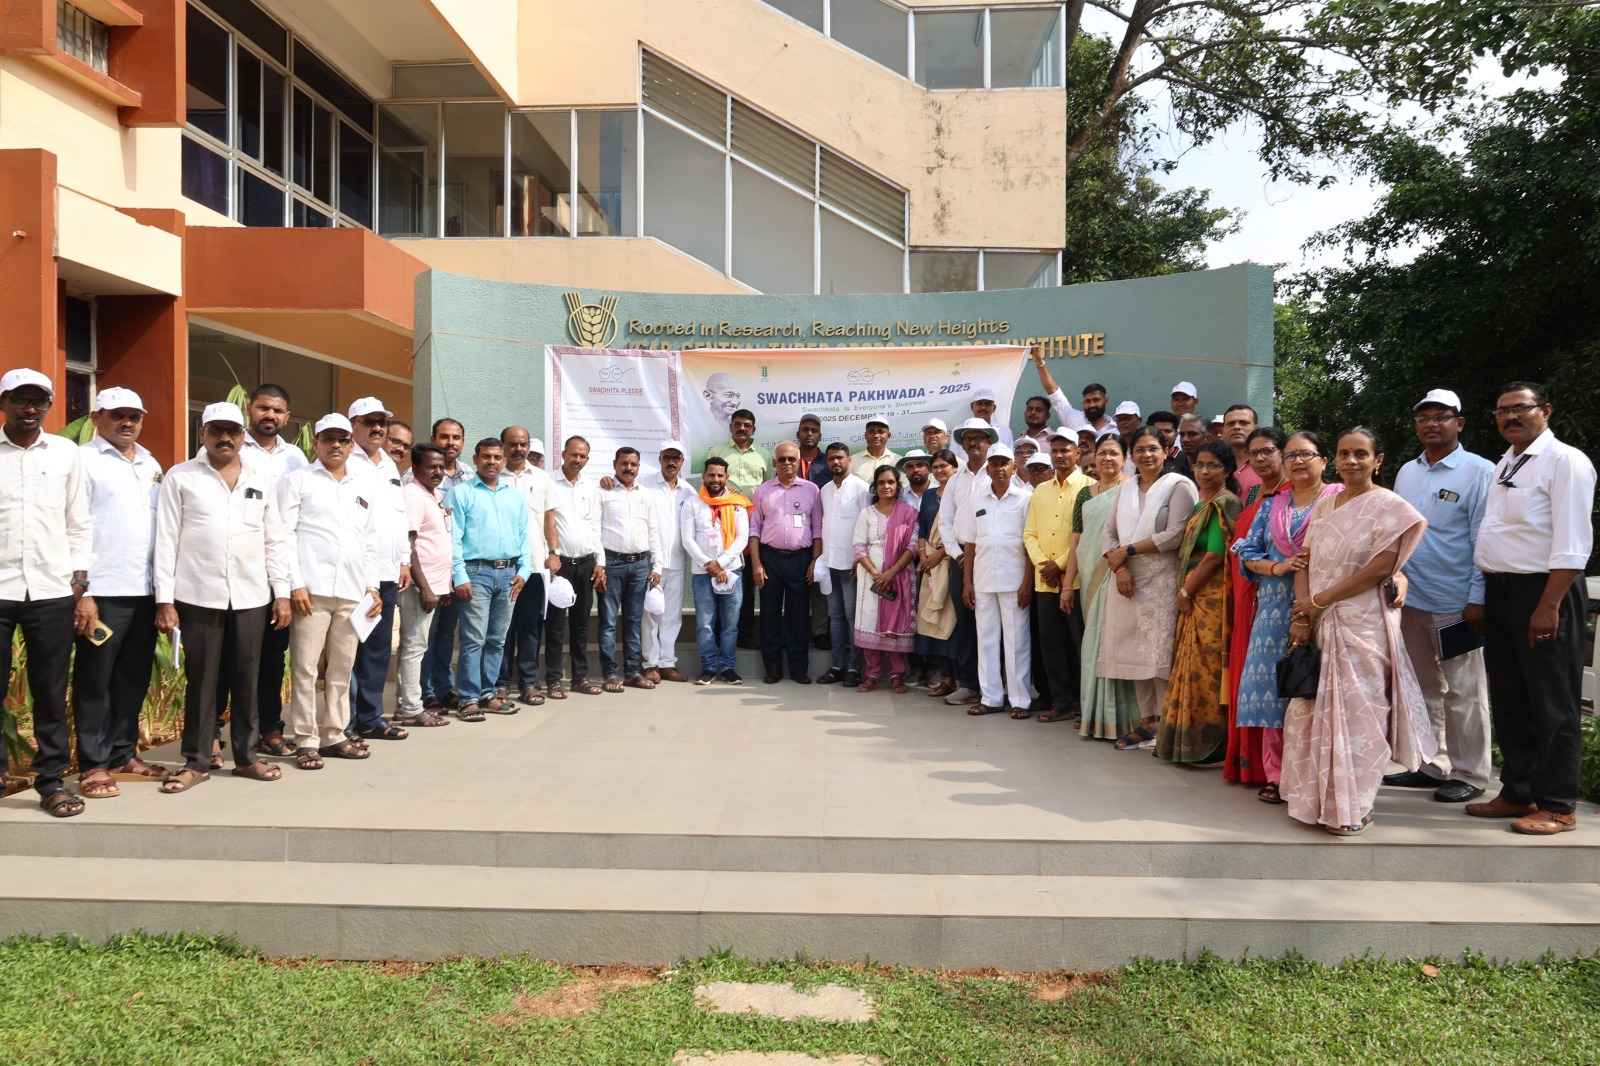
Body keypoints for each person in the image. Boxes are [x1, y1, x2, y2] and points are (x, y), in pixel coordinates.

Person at [1283, 428, 1433, 835]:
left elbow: (1381, 568)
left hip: (1362, 623)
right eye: (1344, 453)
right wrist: (1304, 612)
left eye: (1361, 454)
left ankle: (1352, 807)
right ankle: (1314, 802)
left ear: (1377, 460)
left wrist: (1321, 600)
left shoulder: (1391, 508)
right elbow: (1305, 560)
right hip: (1319, 620)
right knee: (1312, 711)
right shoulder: (1326, 505)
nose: (1351, 461)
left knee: (1360, 715)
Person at [1469, 381, 1596, 835]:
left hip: (1545, 592)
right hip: (1503, 592)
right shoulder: (1508, 461)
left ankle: (1558, 805)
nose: (1510, 417)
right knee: (1511, 697)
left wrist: (1549, 605)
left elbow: (1573, 543)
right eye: (1502, 411)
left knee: (1552, 701)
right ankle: (1518, 790)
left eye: (1520, 408)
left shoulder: (1565, 461)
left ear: (1546, 410)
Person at [155, 401, 292, 793]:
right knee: (202, 680)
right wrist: (165, 600)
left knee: (248, 677)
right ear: (203, 433)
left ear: (243, 435)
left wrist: (281, 592)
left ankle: (246, 757)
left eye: (232, 431)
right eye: (217, 431)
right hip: (198, 594)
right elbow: (166, 539)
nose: (225, 438)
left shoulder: (262, 478)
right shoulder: (181, 477)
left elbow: (275, 539)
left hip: (251, 595)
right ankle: (196, 760)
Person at [1385, 389, 1495, 803]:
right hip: (1411, 601)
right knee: (1423, 686)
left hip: (1456, 604)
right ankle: (1431, 765)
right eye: (1424, 418)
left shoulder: (1479, 471)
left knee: (1464, 690)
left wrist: (1477, 597)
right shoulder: (1407, 472)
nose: (1431, 424)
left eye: (1441, 417)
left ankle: (1471, 773)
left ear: (1459, 423)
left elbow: (1482, 539)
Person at [0, 369, 92, 816]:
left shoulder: (65, 454)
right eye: (21, 399)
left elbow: (79, 521)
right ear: (4, 402)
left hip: (52, 590)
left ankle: (51, 781)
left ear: (50, 406)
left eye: (39, 400)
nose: (30, 408)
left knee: (51, 692)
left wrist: (79, 583)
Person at [71, 388, 165, 800]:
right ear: (97, 418)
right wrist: (83, 591)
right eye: (117, 415)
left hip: (144, 591)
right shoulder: (82, 461)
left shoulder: (150, 463)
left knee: (132, 678)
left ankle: (122, 754)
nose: (127, 422)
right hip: (102, 593)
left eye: (134, 416)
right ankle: (92, 764)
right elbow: (72, 525)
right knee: (95, 681)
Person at [277, 413, 383, 766]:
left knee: (341, 668)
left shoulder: (362, 486)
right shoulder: (298, 480)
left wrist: (372, 587)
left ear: (351, 444)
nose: (335, 445)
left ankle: (334, 734)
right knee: (306, 669)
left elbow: (369, 541)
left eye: (342, 439)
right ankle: (306, 739)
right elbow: (284, 534)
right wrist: (294, 583)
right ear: (316, 443)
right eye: (328, 439)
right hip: (312, 592)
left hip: (352, 592)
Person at [212, 384, 306, 760]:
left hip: (277, 572)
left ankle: (269, 729)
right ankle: (212, 731)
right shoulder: (231, 446)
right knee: (225, 659)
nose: (270, 415)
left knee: (271, 659)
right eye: (264, 408)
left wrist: (289, 581)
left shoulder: (295, 458)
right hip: (236, 571)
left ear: (288, 417)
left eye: (278, 410)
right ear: (250, 409)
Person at [1099, 426, 1197, 750]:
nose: (1146, 454)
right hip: (1125, 580)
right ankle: (1146, 722)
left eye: (1153, 448)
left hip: (1161, 581)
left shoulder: (1179, 486)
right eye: (1139, 449)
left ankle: (1168, 725)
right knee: (1134, 652)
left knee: (1159, 655)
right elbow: (1108, 533)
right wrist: (1120, 568)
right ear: (1132, 455)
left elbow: (1176, 534)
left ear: (1167, 451)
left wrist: (1127, 551)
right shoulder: (1126, 488)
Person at [1155, 441, 1241, 765]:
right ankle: (1183, 742)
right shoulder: (1201, 504)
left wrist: (1186, 592)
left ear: (1227, 470)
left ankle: (1208, 742)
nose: (1204, 471)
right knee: (1189, 666)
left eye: (1213, 465)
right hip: (1194, 597)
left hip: (1211, 598)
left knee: (1206, 670)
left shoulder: (1225, 503)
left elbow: (1214, 556)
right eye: (1200, 465)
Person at [1222, 427, 1289, 790]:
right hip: (1247, 600)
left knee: (1282, 688)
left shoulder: (1295, 497)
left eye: (1269, 451)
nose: (1261, 458)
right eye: (1254, 453)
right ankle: (1252, 765)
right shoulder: (1251, 496)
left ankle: (1280, 772)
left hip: (1281, 602)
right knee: (1254, 687)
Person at [346, 397, 412, 744]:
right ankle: (343, 722)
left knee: (377, 649)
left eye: (381, 422)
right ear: (353, 425)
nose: (377, 428)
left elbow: (399, 516)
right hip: (354, 574)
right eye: (369, 422)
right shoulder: (345, 459)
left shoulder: (388, 463)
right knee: (348, 650)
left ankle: (370, 718)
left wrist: (404, 560)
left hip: (387, 572)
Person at [448, 437, 528, 719]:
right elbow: (453, 537)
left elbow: (524, 535)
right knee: (474, 639)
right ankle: (468, 699)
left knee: (496, 639)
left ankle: (488, 694)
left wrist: (524, 571)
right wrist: (459, 575)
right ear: (476, 459)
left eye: (496, 457)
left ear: (503, 460)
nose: (491, 462)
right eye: (486, 457)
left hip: (509, 575)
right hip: (475, 573)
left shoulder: (514, 496)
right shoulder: (461, 493)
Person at [1065, 435, 1138, 740]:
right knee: (1092, 644)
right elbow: (1076, 541)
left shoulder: (1133, 489)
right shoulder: (1085, 494)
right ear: (1093, 458)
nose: (1107, 458)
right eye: (1102, 453)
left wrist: (1123, 569)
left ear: (1125, 458)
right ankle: (1095, 715)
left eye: (1114, 453)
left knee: (1119, 642)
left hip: (1121, 576)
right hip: (1090, 578)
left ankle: (1128, 718)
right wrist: (1067, 585)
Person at [1024, 429, 1093, 723]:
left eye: (1066, 450)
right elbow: (1029, 534)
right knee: (1051, 644)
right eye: (1055, 451)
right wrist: (1044, 565)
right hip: (1045, 581)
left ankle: (1083, 703)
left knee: (1078, 643)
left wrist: (1060, 564)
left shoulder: (1090, 488)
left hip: (1074, 580)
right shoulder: (1040, 490)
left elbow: (1087, 534)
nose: (1060, 455)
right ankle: (1060, 701)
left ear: (1078, 453)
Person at [962, 443, 1034, 716]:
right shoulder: (977, 499)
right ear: (988, 468)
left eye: (1004, 463)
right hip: (983, 580)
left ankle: (1020, 700)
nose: (999, 468)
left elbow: (1030, 544)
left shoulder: (1025, 498)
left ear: (1013, 467)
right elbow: (970, 543)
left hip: (1014, 580)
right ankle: (990, 698)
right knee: (986, 640)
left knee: (1017, 642)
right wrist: (967, 582)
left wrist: (1027, 582)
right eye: (994, 463)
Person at [751, 441, 823, 684]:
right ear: (774, 462)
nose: (787, 463)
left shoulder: (812, 490)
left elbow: (817, 530)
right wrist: (757, 564)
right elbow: (754, 530)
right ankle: (772, 669)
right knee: (769, 614)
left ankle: (798, 669)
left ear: (799, 461)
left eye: (791, 459)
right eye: (782, 459)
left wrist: (814, 562)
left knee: (799, 616)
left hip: (801, 560)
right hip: (770, 558)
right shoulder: (763, 491)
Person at [937, 417, 998, 706]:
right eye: (968, 438)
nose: (973, 443)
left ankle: (996, 685)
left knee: (992, 622)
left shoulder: (997, 471)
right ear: (962, 444)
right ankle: (969, 684)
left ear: (989, 442)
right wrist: (957, 553)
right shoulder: (955, 480)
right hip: (960, 558)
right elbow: (945, 521)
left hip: (991, 556)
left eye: (979, 438)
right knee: (965, 622)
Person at [396, 444, 452, 729]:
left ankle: (409, 703)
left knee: (418, 645)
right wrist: (425, 588)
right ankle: (410, 708)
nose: (438, 472)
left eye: (441, 467)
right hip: (420, 587)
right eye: (431, 466)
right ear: (416, 467)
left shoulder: (434, 495)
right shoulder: (413, 495)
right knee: (414, 646)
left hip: (436, 585)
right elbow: (410, 545)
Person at [597, 446, 662, 690]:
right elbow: (595, 529)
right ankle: (610, 674)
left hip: (640, 565)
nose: (628, 468)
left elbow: (654, 531)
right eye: (624, 463)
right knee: (608, 622)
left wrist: (657, 566)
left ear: (638, 467)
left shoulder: (646, 495)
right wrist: (600, 563)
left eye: (633, 464)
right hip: (611, 564)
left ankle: (633, 672)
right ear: (615, 464)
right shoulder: (602, 492)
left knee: (634, 621)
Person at [850, 465, 920, 692]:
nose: (886, 486)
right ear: (875, 486)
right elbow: (859, 547)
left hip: (900, 574)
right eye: (881, 482)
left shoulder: (909, 513)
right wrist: (875, 574)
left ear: (898, 486)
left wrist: (891, 572)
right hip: (871, 577)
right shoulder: (867, 513)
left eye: (890, 482)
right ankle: (871, 674)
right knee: (870, 621)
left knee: (895, 624)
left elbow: (912, 546)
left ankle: (897, 675)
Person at [703, 409, 769, 649]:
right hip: (722, 524)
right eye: (738, 424)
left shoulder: (763, 455)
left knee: (747, 582)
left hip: (753, 525)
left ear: (754, 429)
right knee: (720, 575)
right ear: (731, 427)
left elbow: (768, 490)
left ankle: (746, 634)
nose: (742, 428)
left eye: (747, 425)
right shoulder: (717, 452)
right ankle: (717, 634)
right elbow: (708, 487)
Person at [545, 436, 604, 698]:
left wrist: (600, 562)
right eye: (573, 454)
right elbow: (545, 522)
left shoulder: (591, 488)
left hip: (586, 563)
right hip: (560, 565)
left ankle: (580, 678)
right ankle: (554, 680)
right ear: (563, 455)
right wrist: (551, 555)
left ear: (587, 459)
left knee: (581, 625)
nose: (577, 460)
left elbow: (595, 526)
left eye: (582, 456)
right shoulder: (549, 483)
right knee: (556, 625)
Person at [682, 457, 750, 684]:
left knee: (730, 625)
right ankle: (709, 667)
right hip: (702, 573)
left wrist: (720, 563)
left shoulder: (737, 503)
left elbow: (742, 538)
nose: (715, 479)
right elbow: (687, 539)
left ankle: (728, 667)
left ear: (726, 477)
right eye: (711, 475)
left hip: (732, 571)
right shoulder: (692, 503)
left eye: (720, 475)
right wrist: (708, 564)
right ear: (704, 476)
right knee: (705, 624)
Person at [497, 425, 550, 705]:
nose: (518, 449)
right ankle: (500, 683)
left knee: (530, 627)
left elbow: (549, 518)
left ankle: (528, 683)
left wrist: (554, 552)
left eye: (523, 444)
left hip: (535, 564)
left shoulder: (541, 478)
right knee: (502, 627)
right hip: (502, 566)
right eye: (513, 444)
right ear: (503, 446)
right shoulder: (493, 476)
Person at [420, 416, 470, 711]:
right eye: (444, 437)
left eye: (456, 437)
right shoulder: (416, 476)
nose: (450, 442)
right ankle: (424, 691)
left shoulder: (470, 476)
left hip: (457, 568)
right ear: (433, 438)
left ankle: (443, 687)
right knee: (425, 633)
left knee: (446, 634)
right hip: (428, 569)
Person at [641, 441, 695, 683]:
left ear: (682, 462)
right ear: (660, 458)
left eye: (676, 458)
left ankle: (667, 662)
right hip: (651, 562)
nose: (671, 462)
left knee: (672, 615)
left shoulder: (688, 491)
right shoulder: (645, 485)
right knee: (650, 613)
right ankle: (650, 663)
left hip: (678, 561)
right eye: (667, 457)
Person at [817, 442, 869, 686]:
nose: (835, 462)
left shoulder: (861, 488)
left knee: (851, 616)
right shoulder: (824, 490)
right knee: (835, 616)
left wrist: (861, 560)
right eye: (831, 459)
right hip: (829, 563)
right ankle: (837, 666)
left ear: (849, 460)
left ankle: (854, 668)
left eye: (840, 457)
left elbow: (866, 526)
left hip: (852, 565)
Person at [915, 449, 959, 696]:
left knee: (951, 619)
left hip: (952, 562)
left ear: (954, 468)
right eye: (936, 467)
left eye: (945, 466)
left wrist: (939, 555)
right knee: (933, 617)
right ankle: (944, 676)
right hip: (930, 567)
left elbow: (962, 530)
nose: (940, 470)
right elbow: (922, 528)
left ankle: (958, 678)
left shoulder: (961, 493)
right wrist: (923, 555)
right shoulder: (930, 495)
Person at [1028, 347, 1111, 433]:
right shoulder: (1073, 418)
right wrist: (1039, 361)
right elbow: (1053, 391)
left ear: (1106, 400)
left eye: (1096, 400)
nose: (1091, 405)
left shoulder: (1115, 428)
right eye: (1087, 401)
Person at [1220, 405, 1262, 497]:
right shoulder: (1213, 464)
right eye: (1231, 424)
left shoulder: (1267, 464)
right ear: (1223, 430)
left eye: (1243, 423)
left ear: (1256, 429)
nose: (1236, 427)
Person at [797, 413, 830, 486]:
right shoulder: (789, 461)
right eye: (805, 430)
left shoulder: (828, 461)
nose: (809, 434)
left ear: (820, 436)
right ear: (798, 434)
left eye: (814, 431)